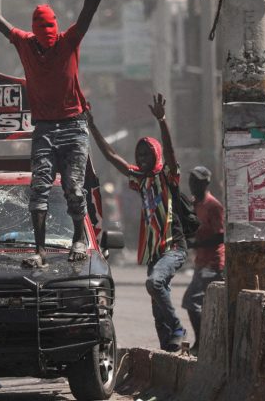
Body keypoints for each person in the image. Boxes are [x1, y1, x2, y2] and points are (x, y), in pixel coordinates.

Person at [0, 0, 112, 264]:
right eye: (43, 33)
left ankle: (78, 240)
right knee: (38, 190)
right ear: (35, 30)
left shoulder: (68, 41)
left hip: (73, 126)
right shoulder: (25, 43)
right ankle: (40, 250)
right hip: (43, 127)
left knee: (73, 187)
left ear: (56, 29)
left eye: (50, 32)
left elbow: (89, 8)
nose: (47, 39)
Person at [87, 94, 188, 352]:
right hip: (155, 253)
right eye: (139, 153)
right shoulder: (139, 179)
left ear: (156, 155)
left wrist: (162, 121)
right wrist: (92, 126)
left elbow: (172, 153)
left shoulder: (167, 176)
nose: (142, 157)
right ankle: (170, 348)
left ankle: (178, 326)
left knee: (154, 284)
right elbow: (111, 156)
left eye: (147, 153)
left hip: (173, 248)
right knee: (156, 305)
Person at [181, 166, 224, 353]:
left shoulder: (213, 206)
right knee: (200, 304)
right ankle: (207, 343)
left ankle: (202, 344)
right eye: (191, 181)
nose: (192, 185)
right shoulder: (194, 204)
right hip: (201, 262)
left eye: (196, 181)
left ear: (206, 183)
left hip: (213, 263)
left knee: (192, 301)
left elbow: (221, 236)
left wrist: (195, 244)